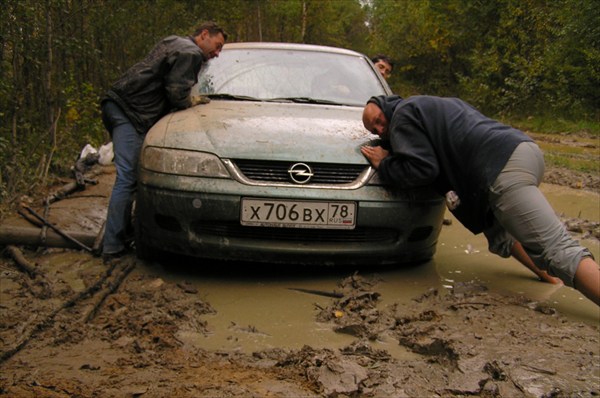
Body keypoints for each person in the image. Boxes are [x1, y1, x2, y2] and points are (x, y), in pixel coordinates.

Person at [360, 95, 600, 306]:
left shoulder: (402, 114)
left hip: (501, 168)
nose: (380, 129)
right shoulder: (428, 106)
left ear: (387, 106)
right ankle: (551, 279)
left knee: (558, 249)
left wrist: (386, 163)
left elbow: (423, 169)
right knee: (500, 233)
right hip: (522, 151)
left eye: (379, 120)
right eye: (374, 129)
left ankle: (570, 275)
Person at [100, 22, 228, 262]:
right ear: (203, 35)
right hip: (130, 112)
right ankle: (112, 246)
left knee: (134, 176)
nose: (217, 53)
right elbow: (177, 93)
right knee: (127, 179)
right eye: (217, 45)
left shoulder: (173, 40)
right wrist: (192, 102)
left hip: (116, 104)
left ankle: (125, 231)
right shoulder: (191, 53)